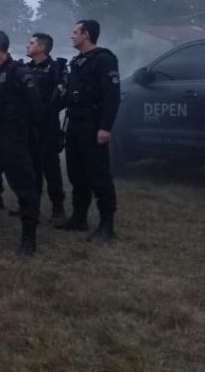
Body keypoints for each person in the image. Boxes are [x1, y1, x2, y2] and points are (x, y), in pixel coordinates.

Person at [0, 30, 43, 257]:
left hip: (13, 139)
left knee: (24, 188)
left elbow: (35, 108)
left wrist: (21, 130)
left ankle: (28, 239)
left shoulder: (19, 73)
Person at [58, 19, 121, 242]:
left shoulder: (104, 59)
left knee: (99, 175)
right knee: (76, 173)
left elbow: (112, 96)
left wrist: (105, 127)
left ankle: (106, 225)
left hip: (93, 124)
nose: (72, 35)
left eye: (76, 32)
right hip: (75, 123)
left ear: (87, 34)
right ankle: (79, 217)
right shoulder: (77, 61)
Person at [25, 33, 69, 226]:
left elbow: (63, 96)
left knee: (51, 168)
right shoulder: (26, 68)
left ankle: (58, 208)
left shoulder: (56, 68)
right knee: (30, 167)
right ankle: (31, 206)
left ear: (42, 47)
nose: (27, 46)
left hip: (47, 125)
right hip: (29, 125)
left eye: (31, 43)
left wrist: (47, 110)